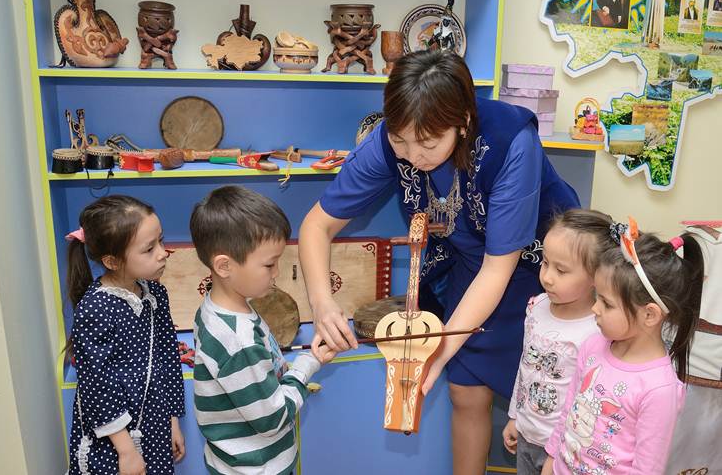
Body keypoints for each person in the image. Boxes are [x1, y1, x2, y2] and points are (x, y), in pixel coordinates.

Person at [298, 50, 580, 474]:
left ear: (462, 122)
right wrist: (322, 303)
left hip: (542, 268)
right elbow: (316, 225)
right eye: (400, 141)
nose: (412, 156)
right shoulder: (392, 138)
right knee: (465, 391)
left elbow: (499, 268)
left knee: (548, 399)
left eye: (428, 144)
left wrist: (438, 351)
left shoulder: (510, 142)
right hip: (472, 264)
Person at [190, 186, 335, 475]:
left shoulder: (216, 310)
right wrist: (308, 365)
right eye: (269, 264)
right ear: (224, 266)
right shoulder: (239, 340)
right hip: (258, 468)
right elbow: (273, 419)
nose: (277, 272)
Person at [542, 219, 703, 474]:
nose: (595, 308)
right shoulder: (593, 346)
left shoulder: (659, 389)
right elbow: (568, 410)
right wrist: (552, 458)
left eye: (606, 303)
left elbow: (646, 468)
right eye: (597, 297)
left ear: (649, 315)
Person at [66, 195, 185, 475]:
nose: (163, 253)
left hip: (154, 422)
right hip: (113, 437)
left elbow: (168, 358)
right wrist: (126, 451)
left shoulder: (155, 294)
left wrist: (172, 420)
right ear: (112, 261)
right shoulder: (95, 308)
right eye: (149, 249)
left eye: (161, 241)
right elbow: (97, 385)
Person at [502, 209, 615, 474]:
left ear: (595, 277)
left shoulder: (597, 330)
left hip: (567, 448)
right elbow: (525, 368)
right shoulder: (537, 307)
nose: (547, 277)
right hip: (527, 435)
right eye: (545, 263)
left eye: (561, 270)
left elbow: (590, 400)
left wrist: (563, 449)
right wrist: (515, 416)